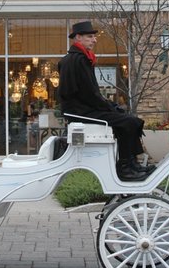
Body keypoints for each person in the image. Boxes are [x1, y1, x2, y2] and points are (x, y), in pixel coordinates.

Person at [58, 20, 150, 181]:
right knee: (129, 121)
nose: (94, 40)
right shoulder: (77, 60)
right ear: (78, 38)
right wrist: (110, 107)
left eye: (94, 37)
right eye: (90, 37)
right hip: (81, 112)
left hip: (82, 109)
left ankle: (131, 164)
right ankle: (126, 168)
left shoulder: (77, 59)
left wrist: (110, 106)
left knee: (128, 120)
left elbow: (89, 93)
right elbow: (89, 94)